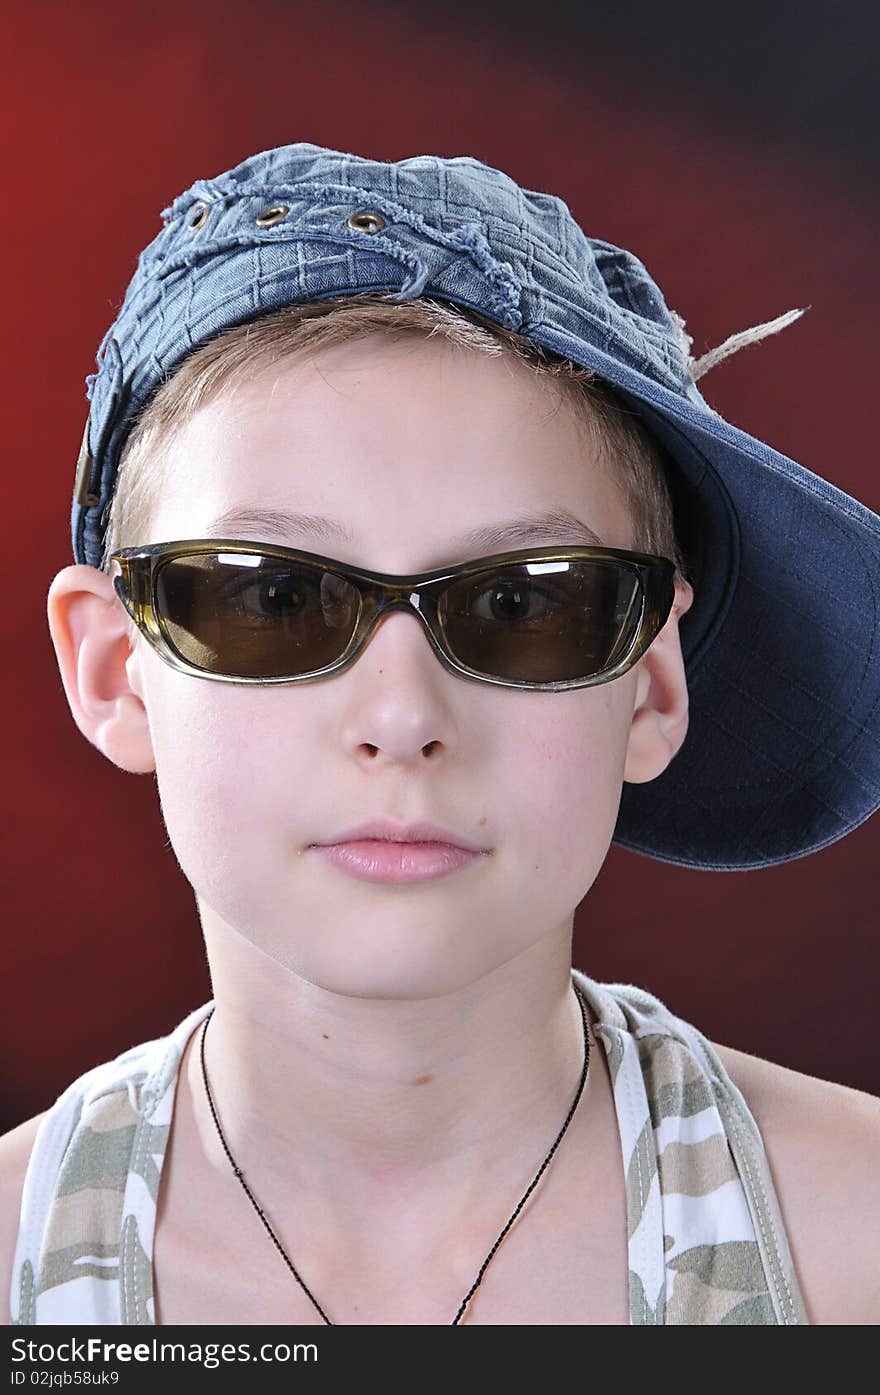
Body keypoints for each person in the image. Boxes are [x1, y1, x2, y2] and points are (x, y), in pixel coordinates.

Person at [2, 142, 879, 1327]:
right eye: (272, 597)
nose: (403, 720)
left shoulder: (854, 1247)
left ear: (652, 682)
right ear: (115, 668)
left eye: (522, 603)